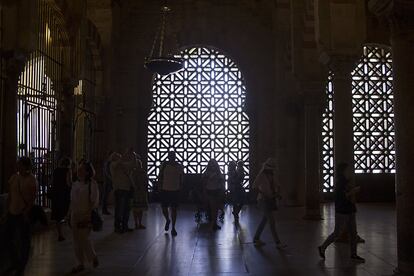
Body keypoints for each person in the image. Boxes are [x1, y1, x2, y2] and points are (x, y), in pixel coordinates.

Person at [318, 162, 365, 262]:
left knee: (353, 233)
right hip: (342, 210)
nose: (350, 172)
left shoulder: (346, 181)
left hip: (350, 209)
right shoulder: (340, 182)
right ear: (343, 171)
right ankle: (322, 247)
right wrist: (353, 191)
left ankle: (353, 254)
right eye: (348, 170)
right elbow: (341, 197)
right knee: (337, 233)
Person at [4, 157, 37, 276]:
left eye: (20, 164)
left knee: (24, 241)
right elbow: (10, 195)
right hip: (12, 212)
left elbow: (33, 197)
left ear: (25, 166)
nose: (17, 165)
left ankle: (21, 266)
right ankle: (16, 262)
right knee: (7, 239)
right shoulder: (14, 177)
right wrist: (7, 210)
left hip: (23, 213)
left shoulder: (32, 179)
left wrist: (26, 212)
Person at [68, 161, 99, 273]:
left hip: (86, 214)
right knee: (76, 240)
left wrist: (87, 214)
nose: (79, 171)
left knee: (85, 238)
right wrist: (69, 213)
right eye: (78, 169)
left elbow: (93, 201)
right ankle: (79, 263)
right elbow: (72, 200)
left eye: (81, 170)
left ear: (87, 172)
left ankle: (93, 257)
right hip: (75, 215)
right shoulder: (76, 184)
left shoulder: (92, 184)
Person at [252, 158, 286, 249]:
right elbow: (254, 186)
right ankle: (278, 243)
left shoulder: (273, 175)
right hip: (263, 200)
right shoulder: (261, 175)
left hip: (270, 199)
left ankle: (256, 238)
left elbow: (277, 185)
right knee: (271, 222)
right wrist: (263, 193)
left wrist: (277, 193)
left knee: (265, 220)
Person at [158, 151, 184, 236]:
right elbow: (160, 175)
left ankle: (173, 227)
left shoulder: (179, 166)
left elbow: (182, 177)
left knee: (174, 209)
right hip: (165, 189)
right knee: (164, 208)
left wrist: (181, 186)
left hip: (175, 189)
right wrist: (159, 185)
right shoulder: (164, 165)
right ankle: (168, 220)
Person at [110, 151, 134, 233]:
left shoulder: (124, 165)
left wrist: (132, 154)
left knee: (126, 209)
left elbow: (133, 164)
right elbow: (117, 164)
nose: (120, 157)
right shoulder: (112, 165)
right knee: (119, 209)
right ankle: (117, 227)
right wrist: (123, 156)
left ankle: (125, 226)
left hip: (127, 189)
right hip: (119, 189)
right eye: (117, 156)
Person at [50, 157, 72, 241]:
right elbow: (68, 183)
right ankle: (69, 226)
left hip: (56, 194)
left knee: (58, 215)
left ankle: (60, 234)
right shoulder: (67, 170)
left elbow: (51, 181)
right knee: (66, 211)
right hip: (64, 193)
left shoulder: (55, 170)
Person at [202, 159, 225, 231]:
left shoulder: (217, 173)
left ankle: (214, 224)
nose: (212, 165)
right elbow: (203, 182)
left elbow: (222, 182)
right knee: (213, 209)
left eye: (213, 164)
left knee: (215, 209)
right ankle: (213, 224)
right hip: (210, 191)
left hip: (217, 191)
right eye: (211, 164)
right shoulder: (207, 173)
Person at [130, 154, 149, 229]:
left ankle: (137, 223)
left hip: (138, 192)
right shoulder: (142, 172)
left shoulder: (134, 172)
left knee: (137, 209)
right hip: (140, 192)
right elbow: (146, 182)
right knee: (139, 209)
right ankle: (138, 223)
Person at [102, 151, 114, 215]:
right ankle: (104, 210)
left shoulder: (108, 162)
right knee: (105, 196)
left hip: (108, 181)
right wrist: (111, 178)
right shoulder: (108, 163)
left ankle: (104, 209)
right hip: (107, 181)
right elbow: (107, 173)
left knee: (106, 196)